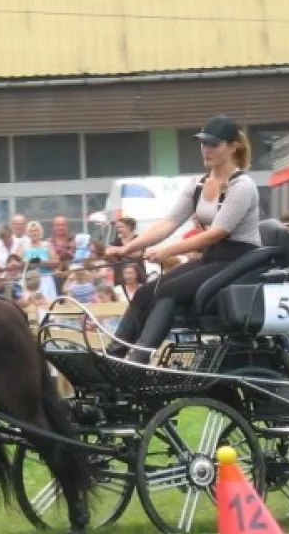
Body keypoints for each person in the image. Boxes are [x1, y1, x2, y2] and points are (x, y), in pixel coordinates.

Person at [105, 115, 261, 362]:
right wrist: (127, 248)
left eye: (214, 144)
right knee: (145, 292)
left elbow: (217, 232)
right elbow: (168, 223)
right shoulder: (197, 184)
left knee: (169, 290)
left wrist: (169, 251)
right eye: (203, 143)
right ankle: (114, 355)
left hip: (240, 260)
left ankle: (139, 358)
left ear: (233, 146)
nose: (206, 149)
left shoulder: (242, 186)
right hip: (214, 259)